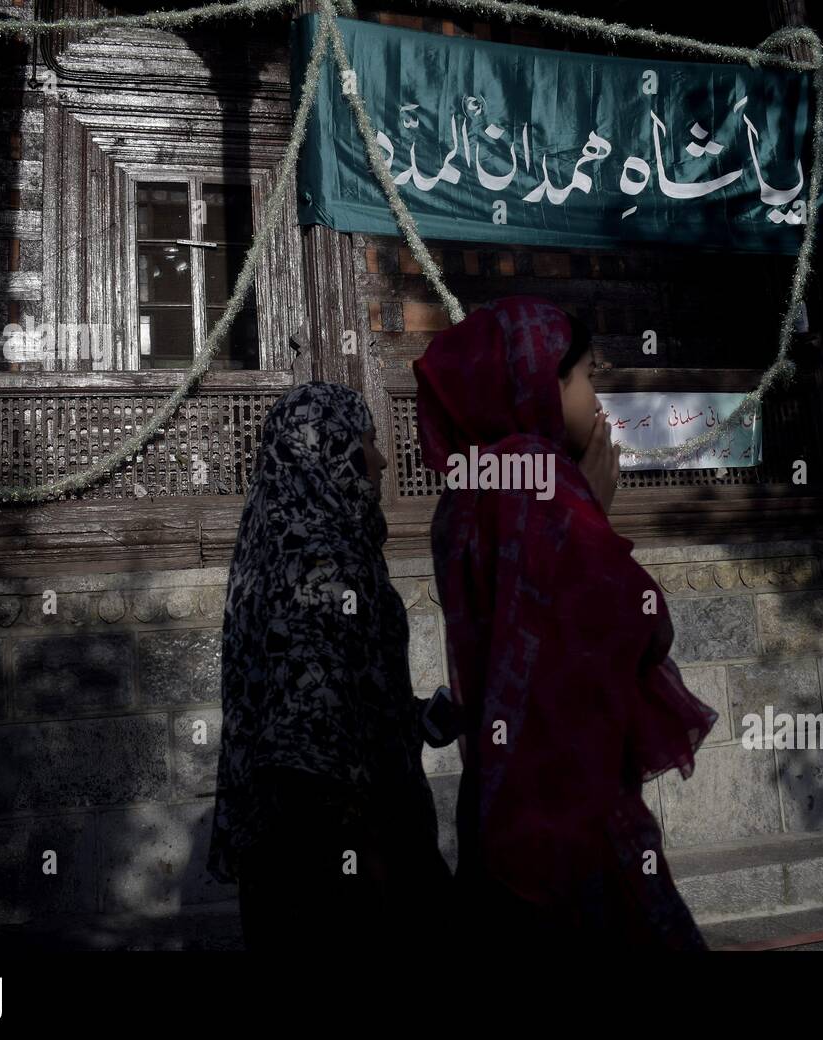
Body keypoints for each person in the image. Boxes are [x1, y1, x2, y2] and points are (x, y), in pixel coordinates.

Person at [413, 295, 719, 951]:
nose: (597, 398)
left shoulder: (466, 491)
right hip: (571, 809)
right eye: (585, 376)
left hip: (497, 800)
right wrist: (599, 521)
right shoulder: (541, 483)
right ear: (536, 382)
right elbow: (636, 621)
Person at [208, 380, 451, 951]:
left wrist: (414, 719)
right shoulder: (321, 560)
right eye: (367, 439)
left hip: (295, 862)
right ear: (333, 448)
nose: (383, 457)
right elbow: (307, 749)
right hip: (335, 874)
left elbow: (334, 697)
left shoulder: (283, 542)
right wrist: (376, 864)